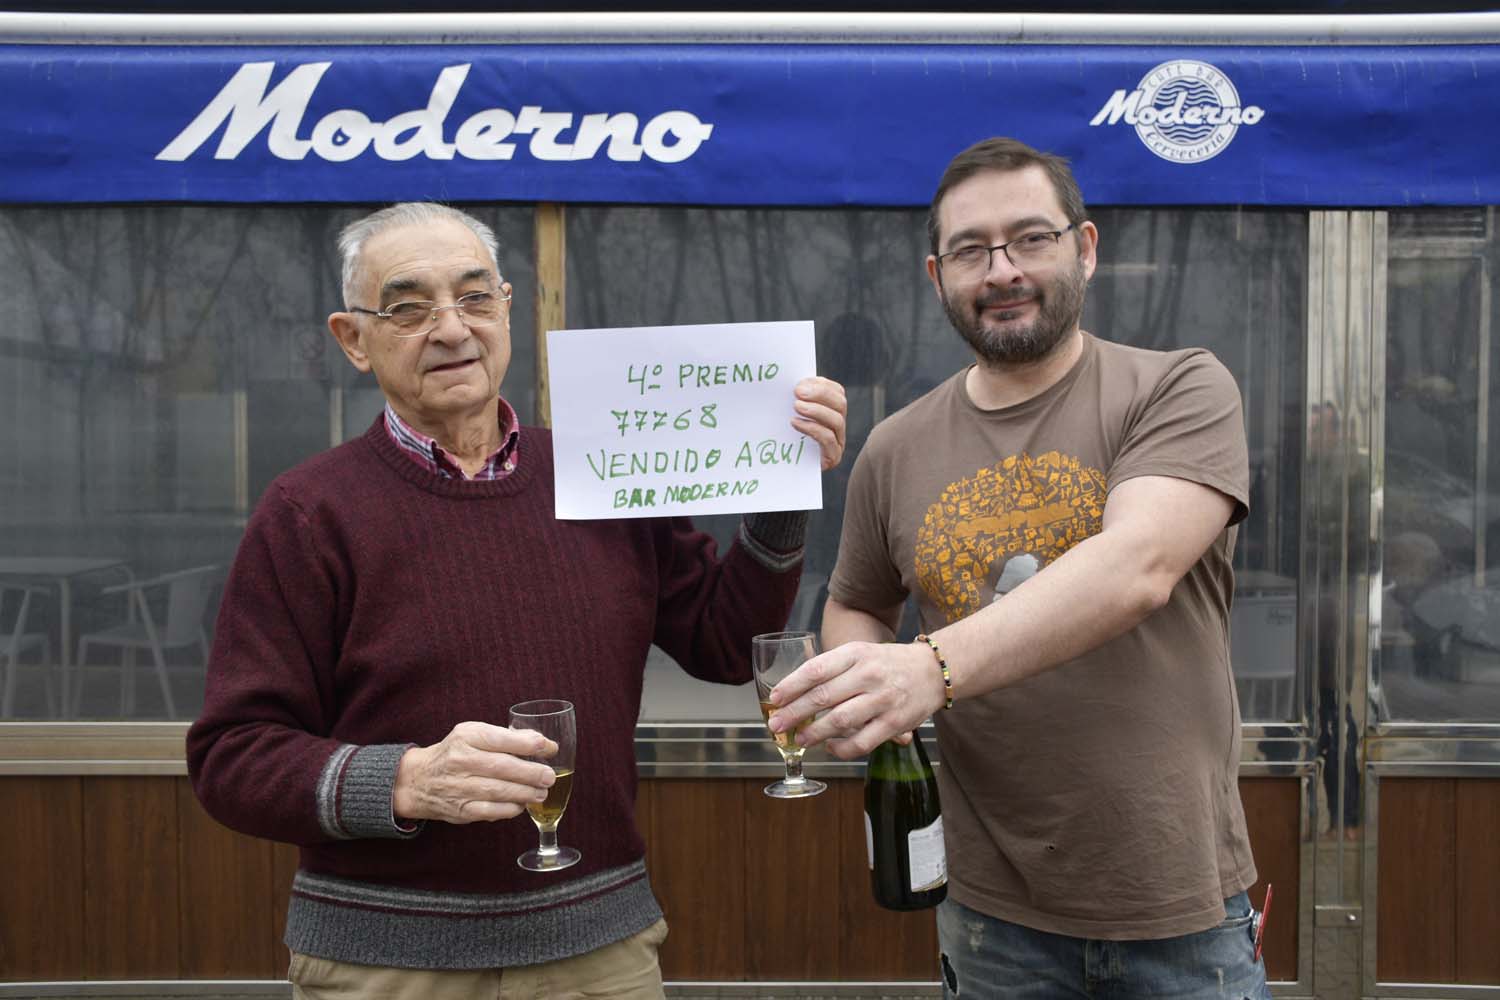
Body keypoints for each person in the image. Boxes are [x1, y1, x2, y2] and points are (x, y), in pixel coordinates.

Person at [185, 202, 847, 999]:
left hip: (597, 949)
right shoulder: (307, 513)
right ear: (353, 339)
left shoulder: (604, 475)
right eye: (407, 307)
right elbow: (231, 756)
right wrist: (406, 782)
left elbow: (721, 642)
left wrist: (781, 489)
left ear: (508, 308)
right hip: (383, 963)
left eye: (474, 297)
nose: (452, 329)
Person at [767, 138, 1271, 998]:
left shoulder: (1178, 387)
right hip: (990, 907)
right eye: (971, 249)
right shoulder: (895, 447)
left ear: (1084, 247)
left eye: (1030, 239)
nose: (1001, 269)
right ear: (937, 277)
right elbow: (856, 604)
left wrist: (926, 669)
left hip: (1177, 905)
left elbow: (1137, 566)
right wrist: (872, 704)